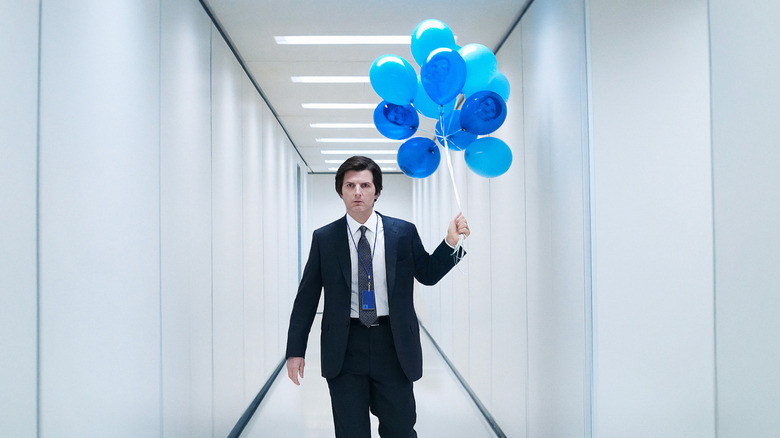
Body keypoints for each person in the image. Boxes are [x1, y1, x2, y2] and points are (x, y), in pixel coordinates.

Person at [285, 156, 470, 437]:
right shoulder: (324, 238)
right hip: (345, 347)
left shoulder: (402, 233)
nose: (357, 191)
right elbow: (307, 297)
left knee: (399, 428)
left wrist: (450, 243)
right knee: (351, 431)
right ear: (340, 191)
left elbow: (428, 274)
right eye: (350, 185)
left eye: (365, 185)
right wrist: (295, 350)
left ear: (377, 192)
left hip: (393, 344)